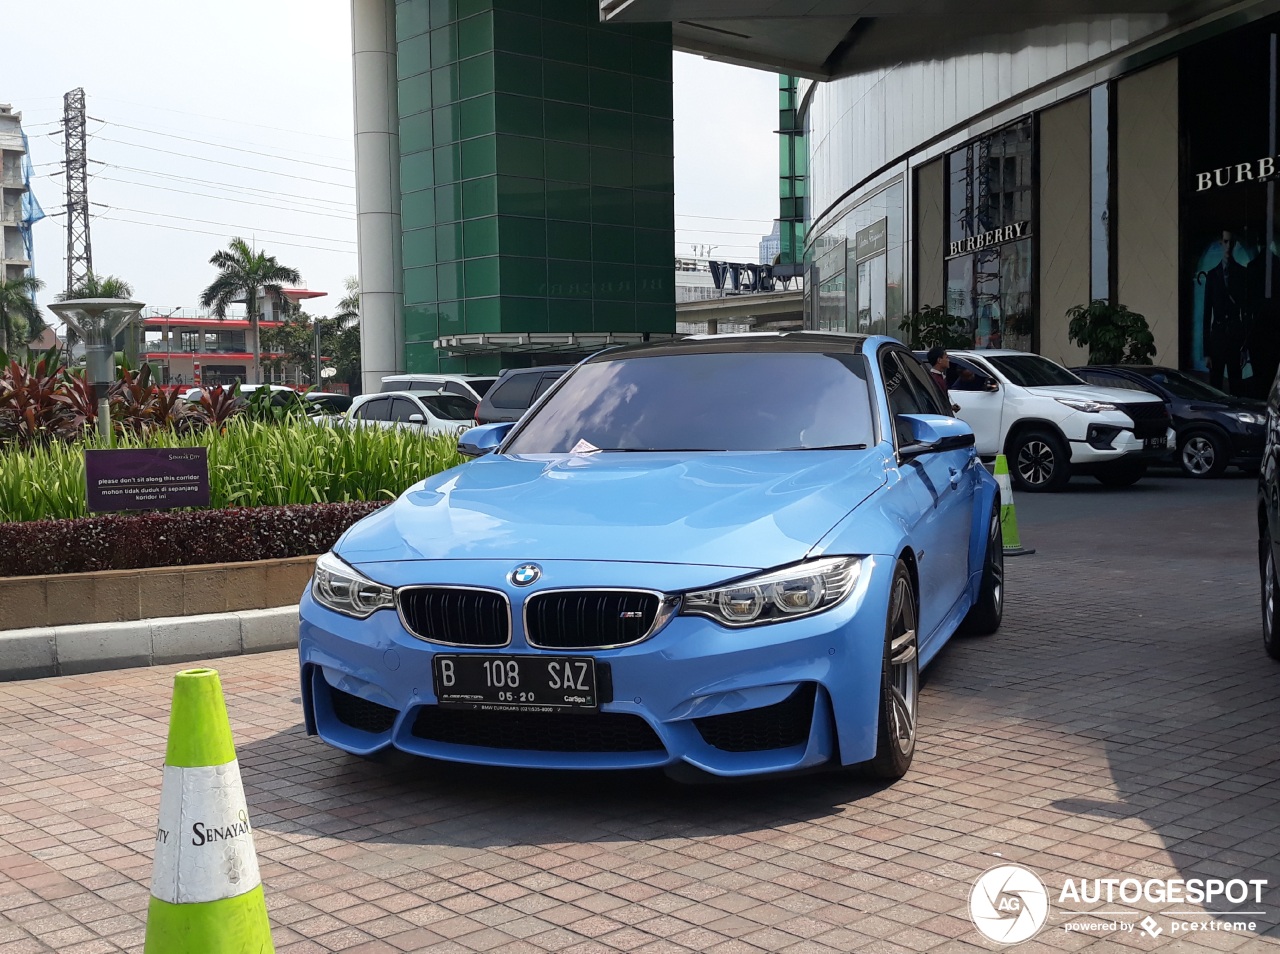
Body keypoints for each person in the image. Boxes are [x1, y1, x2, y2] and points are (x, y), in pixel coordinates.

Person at [1203, 230, 1250, 394]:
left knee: (1235, 383)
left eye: (1231, 242)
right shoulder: (1212, 276)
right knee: (1215, 384)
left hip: (1235, 335)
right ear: (1221, 243)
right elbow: (1206, 313)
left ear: (1235, 244)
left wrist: (1245, 345)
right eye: (1225, 241)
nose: (1228, 245)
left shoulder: (1242, 273)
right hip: (1218, 335)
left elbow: (1246, 311)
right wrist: (1206, 351)